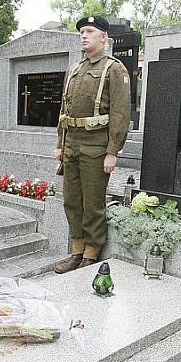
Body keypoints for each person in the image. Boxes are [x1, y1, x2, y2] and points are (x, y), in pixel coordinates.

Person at [53, 15, 131, 273]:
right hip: (72, 144)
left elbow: (120, 114)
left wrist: (112, 151)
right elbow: (65, 109)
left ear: (103, 37)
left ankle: (91, 253)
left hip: (96, 146)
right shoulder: (74, 69)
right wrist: (61, 143)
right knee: (72, 201)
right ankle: (77, 250)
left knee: (93, 202)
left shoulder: (114, 69)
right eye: (82, 32)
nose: (83, 36)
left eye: (89, 31)